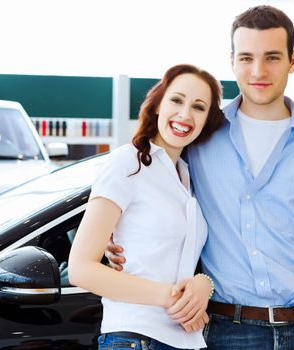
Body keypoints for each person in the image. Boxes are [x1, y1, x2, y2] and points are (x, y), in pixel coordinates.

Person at [106, 5, 294, 350]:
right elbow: (151, 190)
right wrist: (113, 235)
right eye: (246, 58)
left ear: (293, 60)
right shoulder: (200, 137)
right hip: (226, 330)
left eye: (272, 57)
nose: (258, 71)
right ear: (232, 61)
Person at [68, 64, 225, 350]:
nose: (185, 114)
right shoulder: (128, 163)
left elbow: (176, 258)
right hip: (135, 337)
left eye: (198, 107)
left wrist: (203, 284)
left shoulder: (188, 177)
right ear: (157, 105)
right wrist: (171, 297)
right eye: (176, 100)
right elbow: (81, 269)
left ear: (207, 120)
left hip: (185, 340)